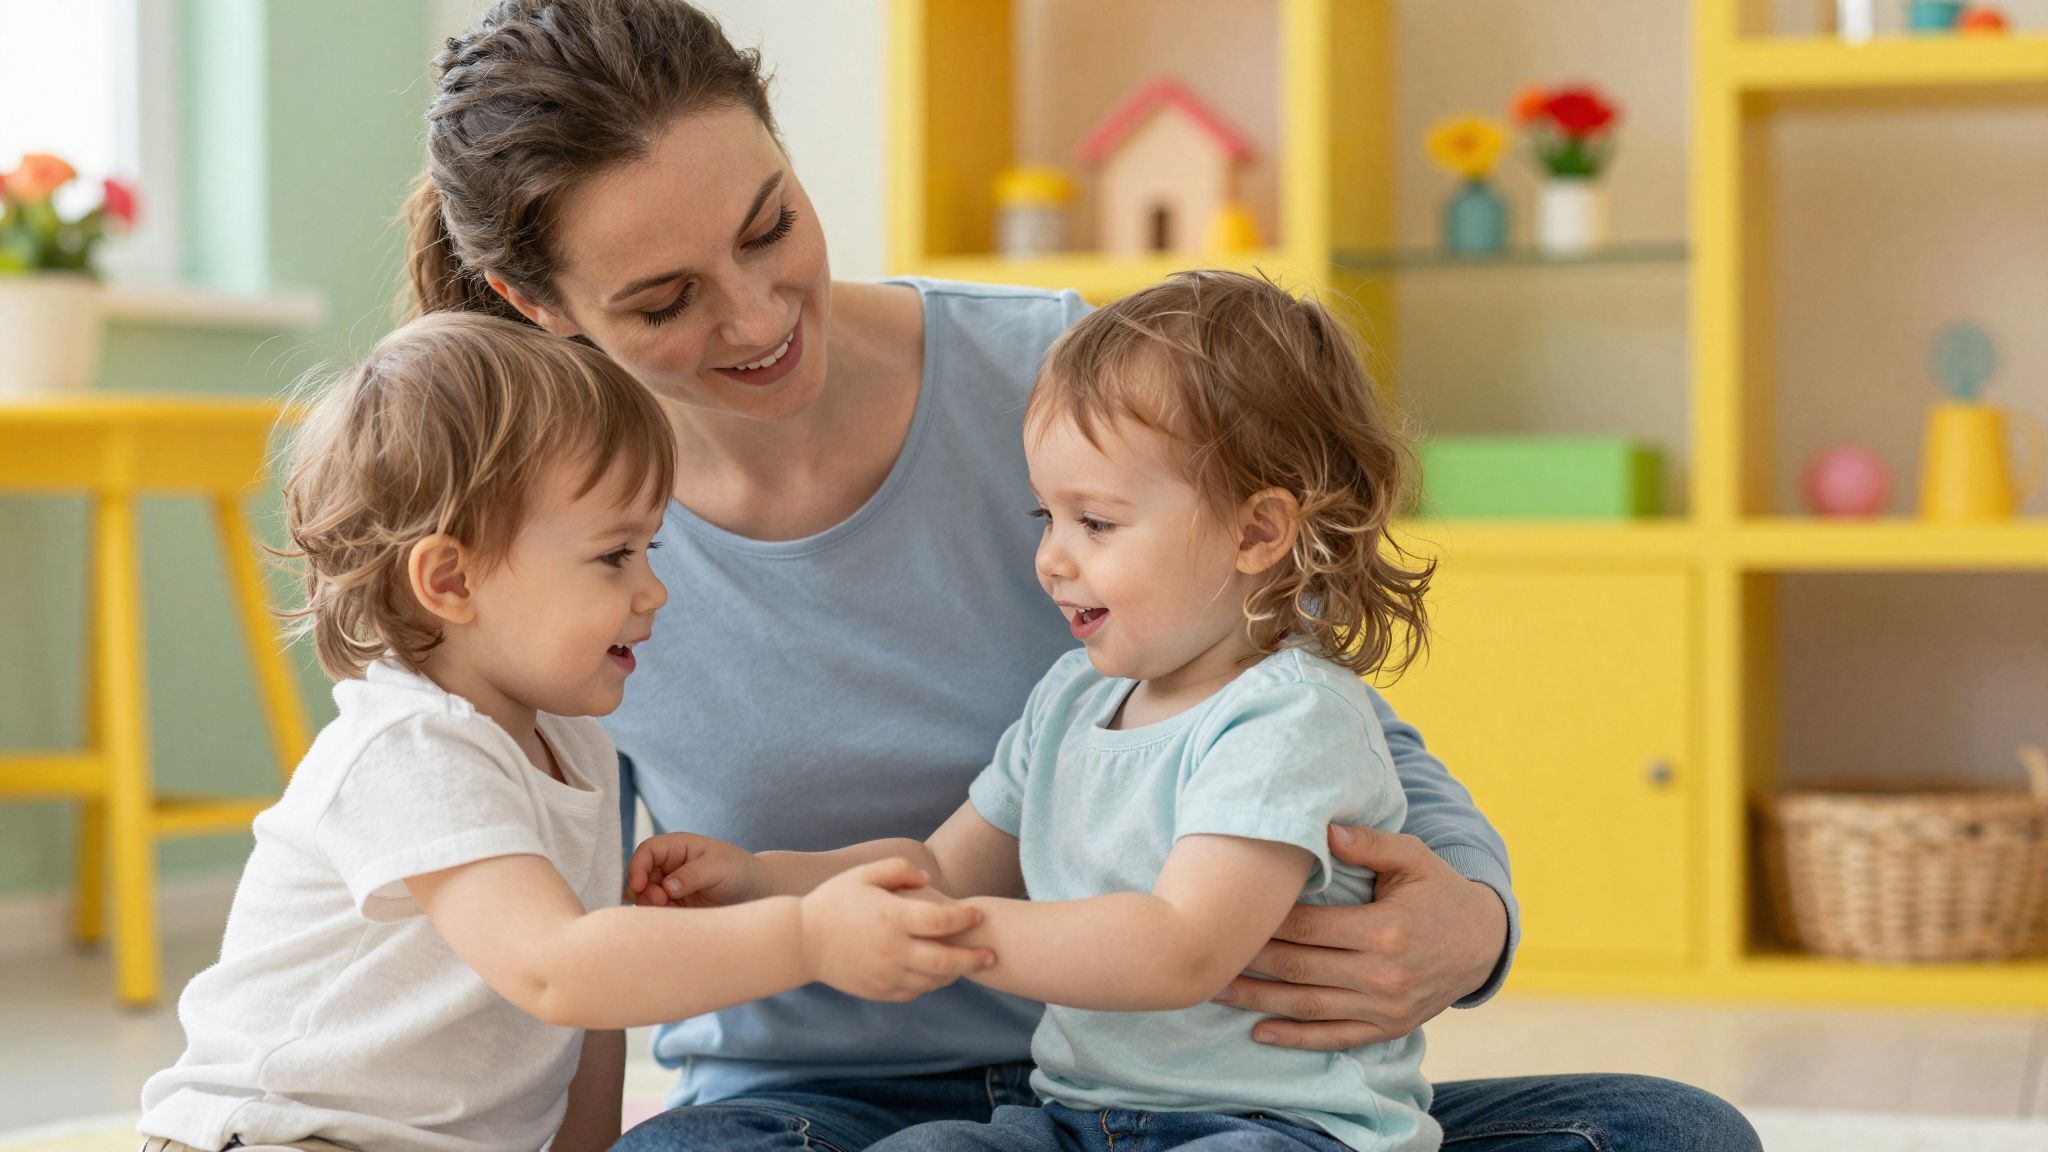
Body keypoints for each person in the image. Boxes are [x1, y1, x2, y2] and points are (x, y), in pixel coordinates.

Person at [404, 2, 1762, 1148]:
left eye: (771, 227)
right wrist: (759, 890)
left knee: (1670, 1133)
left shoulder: (1083, 396)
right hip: (821, 1102)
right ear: (538, 304)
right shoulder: (546, 538)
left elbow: (1324, 712)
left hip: (1214, 1081)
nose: (757, 316)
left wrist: (1475, 919)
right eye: (664, 300)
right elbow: (538, 897)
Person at [629, 270, 1442, 1152]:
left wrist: (940, 937)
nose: (1051, 558)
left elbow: (1180, 947)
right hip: (1075, 1116)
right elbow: (937, 866)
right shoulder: (1074, 699)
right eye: (1044, 515)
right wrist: (763, 881)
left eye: (1094, 522)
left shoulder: (1288, 719)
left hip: (1275, 1127)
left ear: (1256, 533)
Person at [135, 314, 989, 1152]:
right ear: (450, 577)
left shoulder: (574, 745)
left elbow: (590, 1017)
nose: (653, 590)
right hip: (287, 1130)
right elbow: (560, 968)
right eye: (616, 555)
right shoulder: (408, 749)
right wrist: (805, 938)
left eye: (651, 548)